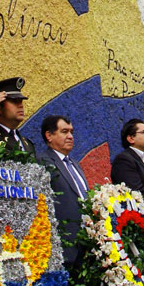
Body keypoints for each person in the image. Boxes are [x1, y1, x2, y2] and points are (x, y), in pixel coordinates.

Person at [41, 115, 88, 272]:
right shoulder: (43, 161)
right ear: (49, 135)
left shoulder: (74, 164)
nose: (70, 136)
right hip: (64, 246)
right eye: (64, 131)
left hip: (86, 244)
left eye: (71, 132)